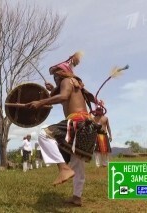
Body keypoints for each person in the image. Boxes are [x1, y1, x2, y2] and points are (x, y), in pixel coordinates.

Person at [26, 52, 98, 206]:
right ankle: (77, 197)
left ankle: (63, 168)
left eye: (55, 77)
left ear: (61, 74)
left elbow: (63, 97)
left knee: (45, 135)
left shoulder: (66, 80)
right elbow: (60, 96)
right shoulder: (75, 83)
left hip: (77, 122)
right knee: (77, 162)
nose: (55, 79)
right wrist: (52, 90)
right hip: (88, 126)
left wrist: (40, 103)